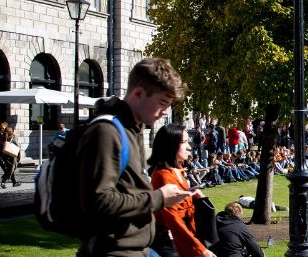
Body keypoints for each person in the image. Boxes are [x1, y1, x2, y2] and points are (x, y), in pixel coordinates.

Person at [72, 58, 195, 257]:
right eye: (162, 102)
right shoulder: (107, 132)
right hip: (113, 250)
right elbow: (99, 202)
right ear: (138, 93)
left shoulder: (133, 129)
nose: (165, 112)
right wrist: (159, 198)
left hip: (139, 248)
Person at [148, 125, 216, 257]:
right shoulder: (163, 176)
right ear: (170, 145)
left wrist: (197, 197)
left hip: (185, 236)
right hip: (170, 242)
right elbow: (174, 219)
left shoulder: (178, 170)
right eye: (184, 142)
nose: (189, 147)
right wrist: (200, 249)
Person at [0, 124, 20, 188]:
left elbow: (0, 147)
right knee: (10, 170)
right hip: (11, 156)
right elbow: (17, 146)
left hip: (4, 156)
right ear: (12, 132)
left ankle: (14, 182)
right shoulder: (13, 138)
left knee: (10, 170)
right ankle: (3, 182)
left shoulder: (2, 137)